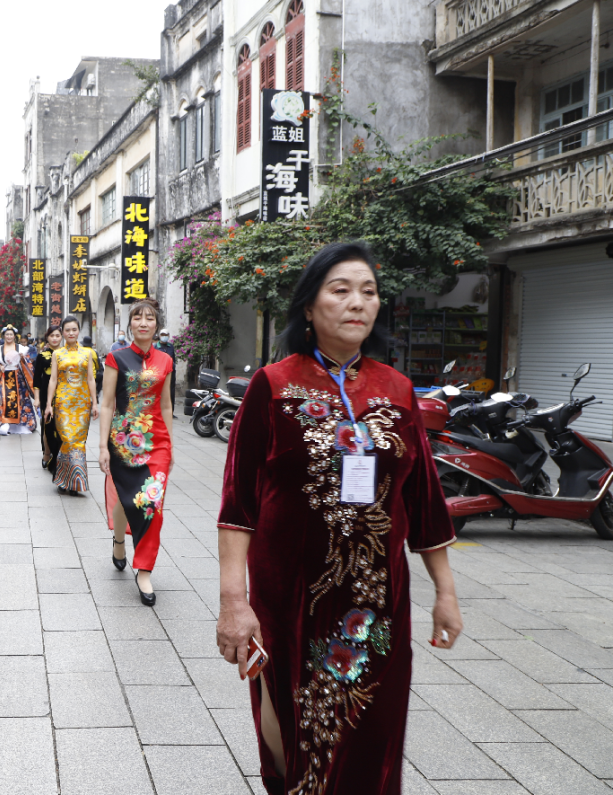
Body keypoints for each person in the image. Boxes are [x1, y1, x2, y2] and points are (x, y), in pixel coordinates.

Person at [214, 241, 462, 795]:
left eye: (369, 292)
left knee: (372, 735)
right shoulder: (273, 386)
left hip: (376, 602)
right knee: (294, 729)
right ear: (309, 307)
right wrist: (235, 601)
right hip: (290, 597)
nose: (357, 303)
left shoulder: (397, 390)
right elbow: (238, 504)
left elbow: (423, 499)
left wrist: (445, 592)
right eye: (341, 290)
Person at [98, 298, 174, 607]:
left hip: (157, 442)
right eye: (138, 318)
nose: (143, 323)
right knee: (127, 497)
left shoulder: (166, 361)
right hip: (123, 442)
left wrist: (171, 444)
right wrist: (102, 445)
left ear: (157, 325)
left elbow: (167, 404)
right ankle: (119, 542)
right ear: (130, 324)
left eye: (150, 318)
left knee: (151, 503)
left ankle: (144, 569)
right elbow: (106, 404)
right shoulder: (117, 358)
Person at [45, 315, 98, 495]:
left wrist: (95, 403)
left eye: (74, 329)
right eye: (67, 330)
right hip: (63, 402)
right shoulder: (57, 354)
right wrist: (49, 404)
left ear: (78, 331)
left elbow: (91, 379)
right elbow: (53, 380)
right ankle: (63, 479)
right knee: (67, 439)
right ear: (62, 332)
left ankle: (75, 482)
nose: (71, 333)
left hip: (82, 403)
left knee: (79, 441)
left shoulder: (88, 353)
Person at [0, 325, 37, 435]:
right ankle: (4, 424)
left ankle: (21, 425)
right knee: (3, 401)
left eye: (11, 334)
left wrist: (22, 359)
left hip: (18, 379)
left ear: (15, 336)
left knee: (21, 401)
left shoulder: (22, 349)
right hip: (3, 378)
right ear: (4, 336)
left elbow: (29, 365)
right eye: (7, 334)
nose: (9, 336)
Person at [32, 325, 63, 474]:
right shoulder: (42, 356)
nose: (55, 338)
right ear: (47, 338)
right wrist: (37, 398)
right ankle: (47, 453)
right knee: (48, 424)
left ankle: (61, 455)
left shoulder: (67, 354)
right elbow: (37, 380)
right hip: (46, 395)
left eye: (57, 335)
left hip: (65, 394)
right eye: (52, 336)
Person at [154, 328, 177, 418]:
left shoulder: (170, 346)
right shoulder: (155, 346)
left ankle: (170, 412)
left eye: (166, 335)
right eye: (163, 335)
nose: (164, 337)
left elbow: (173, 358)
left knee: (171, 392)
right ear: (159, 336)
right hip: (160, 372)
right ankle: (158, 411)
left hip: (171, 372)